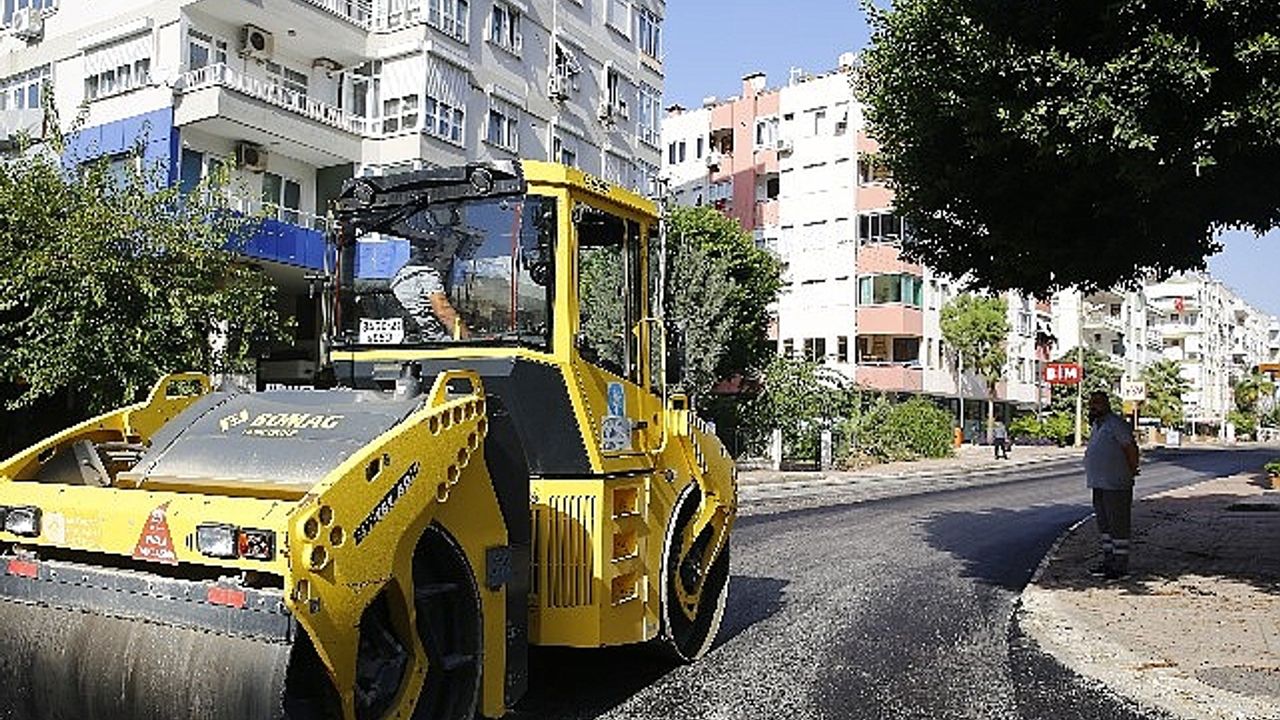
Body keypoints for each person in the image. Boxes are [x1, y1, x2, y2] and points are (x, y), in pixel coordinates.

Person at [1083, 390, 1141, 580]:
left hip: (1116, 484)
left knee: (1118, 525)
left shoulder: (1116, 424)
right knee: (1105, 526)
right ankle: (1109, 561)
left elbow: (1130, 447)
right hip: (1098, 484)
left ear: (1106, 404)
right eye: (1092, 403)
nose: (1094, 406)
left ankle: (1120, 566)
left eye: (1098, 402)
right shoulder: (1097, 425)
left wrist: (1132, 469)